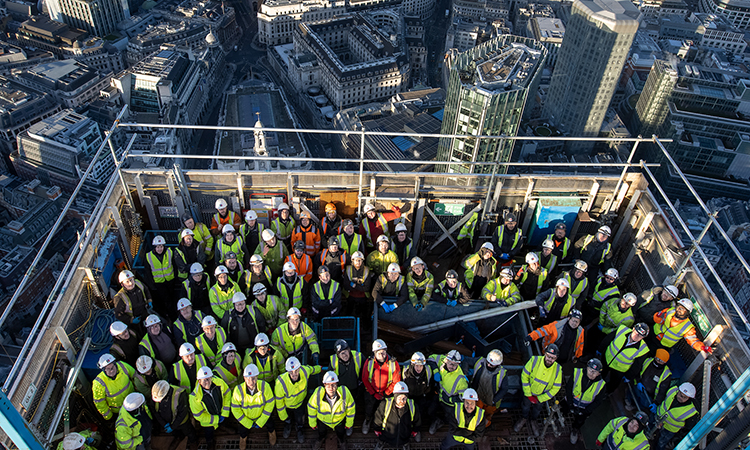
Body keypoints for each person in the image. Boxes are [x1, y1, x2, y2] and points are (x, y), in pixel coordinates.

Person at [514, 344, 562, 436]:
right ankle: (523, 418)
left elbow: (556, 388)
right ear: (544, 353)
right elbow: (525, 376)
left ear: (556, 358)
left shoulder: (557, 370)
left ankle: (533, 420)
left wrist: (540, 398)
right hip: (529, 393)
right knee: (525, 406)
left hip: (541, 396)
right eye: (548, 356)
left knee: (537, 409)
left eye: (552, 358)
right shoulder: (534, 360)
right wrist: (528, 394)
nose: (549, 359)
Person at [276, 356, 322, 444]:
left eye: (296, 370)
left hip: (300, 404)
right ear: (287, 371)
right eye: (291, 372)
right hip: (287, 406)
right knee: (287, 418)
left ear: (299, 368)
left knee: (300, 419)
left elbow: (312, 369)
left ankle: (299, 429)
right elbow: (279, 402)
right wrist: (283, 416)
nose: (294, 374)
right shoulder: (280, 383)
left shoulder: (304, 371)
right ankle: (288, 425)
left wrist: (320, 368)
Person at [232, 364, 277, 449]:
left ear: (257, 377)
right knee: (243, 431)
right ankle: (243, 439)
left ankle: (272, 433)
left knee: (271, 425)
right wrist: (247, 422)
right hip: (246, 418)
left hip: (262, 415)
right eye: (248, 378)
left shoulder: (265, 386)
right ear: (244, 378)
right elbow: (235, 409)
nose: (251, 381)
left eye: (253, 378)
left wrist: (261, 420)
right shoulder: (238, 390)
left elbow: (270, 403)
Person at [362, 339, 402, 434]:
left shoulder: (393, 363)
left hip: (387, 392)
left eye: (383, 352)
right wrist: (373, 393)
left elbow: (396, 380)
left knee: (387, 408)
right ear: (374, 353)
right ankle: (367, 420)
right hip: (372, 391)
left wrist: (386, 393)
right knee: (369, 407)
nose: (382, 355)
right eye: (379, 353)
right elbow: (365, 379)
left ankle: (385, 423)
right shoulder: (369, 362)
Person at [308, 371, 356, 450]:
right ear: (324, 385)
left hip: (339, 421)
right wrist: (312, 424)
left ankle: (341, 440)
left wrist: (349, 423)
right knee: (321, 432)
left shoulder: (345, 392)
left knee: (341, 433)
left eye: (333, 384)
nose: (331, 388)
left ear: (337, 384)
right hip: (323, 421)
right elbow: (311, 409)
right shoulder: (318, 394)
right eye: (328, 385)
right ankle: (321, 438)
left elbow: (351, 409)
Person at [564, 358, 606, 444]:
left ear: (599, 373)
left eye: (595, 371)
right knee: (563, 409)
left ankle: (575, 430)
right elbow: (568, 388)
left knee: (579, 421)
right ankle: (555, 419)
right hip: (570, 401)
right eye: (590, 370)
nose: (592, 373)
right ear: (587, 368)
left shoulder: (601, 385)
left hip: (584, 408)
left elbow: (598, 401)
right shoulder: (577, 372)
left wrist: (585, 411)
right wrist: (570, 404)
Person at [600, 323, 650, 394]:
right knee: (600, 374)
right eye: (636, 333)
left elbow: (636, 366)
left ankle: (606, 393)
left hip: (619, 369)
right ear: (633, 329)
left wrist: (628, 376)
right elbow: (609, 338)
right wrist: (600, 349)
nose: (637, 336)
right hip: (607, 358)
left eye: (640, 336)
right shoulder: (622, 330)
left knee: (613, 383)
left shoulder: (643, 349)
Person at [189, 367, 231, 450]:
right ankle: (210, 443)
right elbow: (198, 415)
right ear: (199, 381)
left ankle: (223, 427)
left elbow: (227, 393)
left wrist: (224, 413)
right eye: (204, 380)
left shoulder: (219, 383)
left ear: (212, 378)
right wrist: (215, 419)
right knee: (209, 433)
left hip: (220, 412)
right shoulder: (194, 397)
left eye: (208, 379)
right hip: (208, 420)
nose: (207, 382)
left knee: (223, 422)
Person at [428, 350, 468, 435]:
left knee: (448, 417)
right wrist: (435, 371)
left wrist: (449, 399)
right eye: (450, 363)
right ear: (446, 360)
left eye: (455, 364)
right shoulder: (442, 361)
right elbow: (431, 358)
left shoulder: (461, 380)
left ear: (458, 364)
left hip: (449, 403)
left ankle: (441, 422)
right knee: (430, 411)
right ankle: (435, 420)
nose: (452, 366)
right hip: (439, 395)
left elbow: (463, 398)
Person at [152, 380, 198, 450]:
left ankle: (193, 442)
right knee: (176, 433)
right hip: (168, 423)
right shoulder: (156, 394)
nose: (159, 401)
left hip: (182, 422)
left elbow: (183, 413)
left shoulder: (180, 394)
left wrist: (173, 426)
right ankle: (179, 437)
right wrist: (164, 424)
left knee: (190, 432)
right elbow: (155, 412)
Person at [374, 381, 421, 450]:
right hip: (387, 434)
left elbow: (417, 420)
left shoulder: (412, 406)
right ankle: (381, 442)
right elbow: (378, 418)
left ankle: (405, 443)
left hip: (405, 435)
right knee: (383, 438)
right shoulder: (385, 404)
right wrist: (377, 429)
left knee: (405, 439)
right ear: (395, 397)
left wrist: (415, 430)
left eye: (404, 398)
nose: (402, 400)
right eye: (399, 398)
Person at [653, 383, 698, 450]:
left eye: (684, 397)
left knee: (661, 443)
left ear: (689, 398)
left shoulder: (691, 412)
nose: (680, 397)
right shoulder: (672, 390)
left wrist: (677, 436)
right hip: (657, 417)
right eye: (680, 394)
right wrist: (656, 403)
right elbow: (662, 396)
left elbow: (688, 427)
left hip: (669, 430)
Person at [402, 352, 436, 438]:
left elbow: (430, 385)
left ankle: (417, 430)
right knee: (407, 414)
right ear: (412, 364)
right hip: (409, 397)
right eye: (417, 365)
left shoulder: (428, 371)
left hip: (421, 397)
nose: (419, 368)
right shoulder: (405, 371)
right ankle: (407, 430)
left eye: (421, 366)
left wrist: (427, 396)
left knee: (420, 414)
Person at [221, 292, 266, 357]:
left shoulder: (253, 311)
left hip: (253, 346)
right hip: (236, 349)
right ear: (234, 305)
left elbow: (262, 326)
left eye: (242, 303)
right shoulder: (228, 315)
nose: (240, 306)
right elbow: (223, 331)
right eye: (237, 304)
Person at [471, 349, 508, 427]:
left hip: (491, 401)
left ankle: (485, 424)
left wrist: (494, 400)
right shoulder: (480, 362)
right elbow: (466, 360)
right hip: (478, 396)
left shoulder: (502, 373)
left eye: (491, 364)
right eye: (487, 362)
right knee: (475, 412)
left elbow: (504, 389)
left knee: (488, 414)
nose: (488, 365)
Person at [93, 354, 135, 421]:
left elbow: (135, 376)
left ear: (115, 364)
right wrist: (109, 416)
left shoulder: (123, 366)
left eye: (112, 367)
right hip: (119, 412)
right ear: (103, 370)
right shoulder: (99, 383)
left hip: (134, 402)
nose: (111, 371)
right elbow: (100, 402)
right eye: (108, 369)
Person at [144, 235, 175, 318]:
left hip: (170, 280)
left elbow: (174, 264)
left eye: (161, 246)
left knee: (173, 297)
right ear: (154, 247)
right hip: (159, 282)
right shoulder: (149, 256)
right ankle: (171, 315)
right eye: (157, 247)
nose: (159, 249)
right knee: (166, 300)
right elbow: (148, 271)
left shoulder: (169, 252)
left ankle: (173, 312)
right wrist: (152, 283)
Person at [343, 251, 373, 315]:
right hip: (349, 295)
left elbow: (367, 288)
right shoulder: (348, 269)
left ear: (362, 261)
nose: (358, 262)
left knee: (364, 313)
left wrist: (354, 285)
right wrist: (360, 286)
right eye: (356, 260)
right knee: (348, 311)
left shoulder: (366, 270)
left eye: (360, 260)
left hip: (363, 295)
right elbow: (346, 286)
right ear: (353, 260)